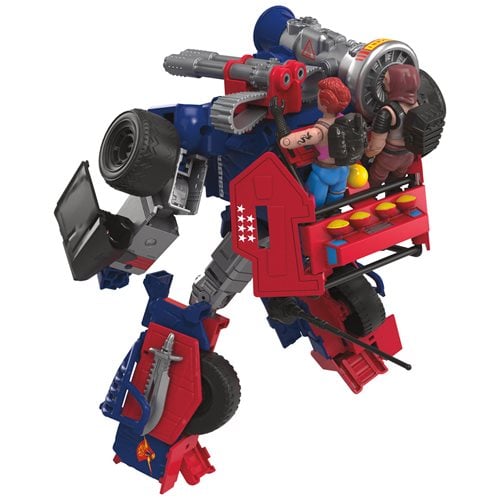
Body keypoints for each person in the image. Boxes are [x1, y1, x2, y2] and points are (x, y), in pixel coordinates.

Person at [279, 77, 351, 208]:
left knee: (316, 204)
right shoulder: (346, 121)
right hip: (343, 171)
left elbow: (286, 142)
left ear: (324, 104)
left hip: (322, 173)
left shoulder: (318, 132)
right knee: (335, 202)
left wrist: (278, 117)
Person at [364, 64, 420, 187]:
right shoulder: (418, 105)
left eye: (386, 80)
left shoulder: (388, 112)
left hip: (388, 158)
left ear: (397, 84)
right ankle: (395, 191)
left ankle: (371, 195)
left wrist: (364, 155)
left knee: (375, 180)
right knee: (396, 182)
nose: (383, 82)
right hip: (408, 156)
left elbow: (376, 146)